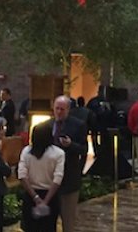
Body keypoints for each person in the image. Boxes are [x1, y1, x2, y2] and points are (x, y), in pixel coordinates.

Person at [45, 96, 87, 232]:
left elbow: (84, 149)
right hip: (49, 180)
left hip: (69, 178)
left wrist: (71, 145)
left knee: (68, 221)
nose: (59, 112)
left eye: (62, 109)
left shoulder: (78, 125)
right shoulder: (47, 125)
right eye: (56, 108)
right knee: (49, 221)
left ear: (68, 109)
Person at [19, 122, 65, 232]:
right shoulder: (58, 153)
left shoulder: (26, 152)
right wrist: (46, 201)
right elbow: (57, 179)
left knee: (31, 227)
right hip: (50, 196)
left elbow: (22, 176)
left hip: (31, 196)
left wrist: (35, 197)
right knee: (48, 227)